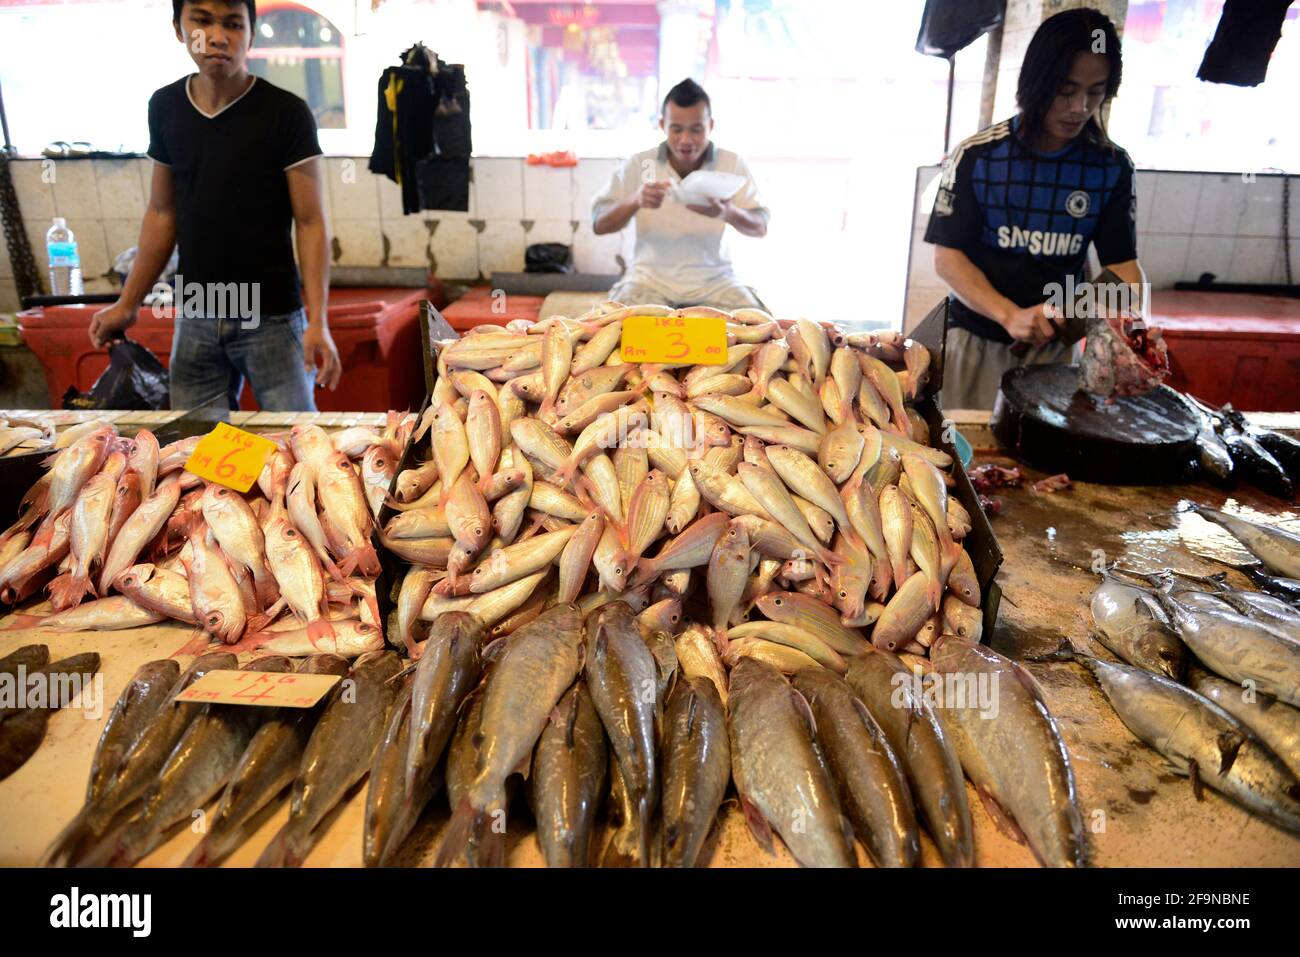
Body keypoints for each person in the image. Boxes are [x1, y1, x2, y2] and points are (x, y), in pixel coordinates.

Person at [89, 0, 341, 411]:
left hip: (273, 318)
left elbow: (311, 222)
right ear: (179, 27)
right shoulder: (165, 107)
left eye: (233, 24)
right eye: (202, 21)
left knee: (297, 445)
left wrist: (318, 322)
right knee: (194, 452)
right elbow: (161, 213)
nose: (218, 37)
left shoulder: (286, 113)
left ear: (251, 34)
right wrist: (128, 303)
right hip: (196, 315)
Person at [925, 8, 1146, 410]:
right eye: (1065, 89)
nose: (1080, 106)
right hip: (975, 341)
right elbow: (947, 258)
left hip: (1054, 354)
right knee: (965, 456)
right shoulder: (979, 155)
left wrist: (1097, 315)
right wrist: (1009, 315)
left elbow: (1125, 272)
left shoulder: (1111, 167)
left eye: (1095, 91)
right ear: (1036, 83)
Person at [592, 79, 770, 310]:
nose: (686, 140)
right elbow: (599, 223)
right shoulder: (641, 163)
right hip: (648, 280)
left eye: (696, 129)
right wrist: (635, 200)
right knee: (616, 331)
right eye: (676, 129)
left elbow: (760, 227)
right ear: (662, 125)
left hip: (716, 281)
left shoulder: (731, 163)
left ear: (711, 125)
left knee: (760, 329)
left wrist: (727, 212)